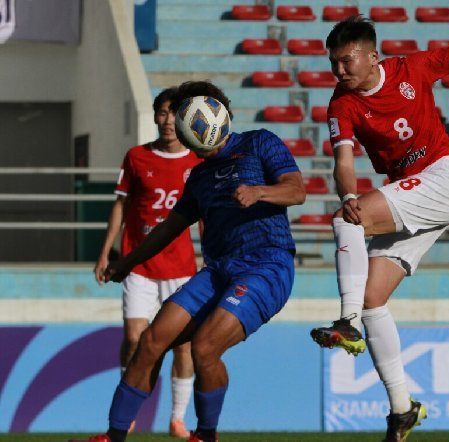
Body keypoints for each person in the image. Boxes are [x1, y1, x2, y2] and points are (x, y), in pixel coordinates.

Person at [309, 4, 449, 441]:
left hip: (441, 177)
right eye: (332, 62)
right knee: (373, 295)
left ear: (372, 56)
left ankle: (347, 322)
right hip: (408, 196)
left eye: (346, 60)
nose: (339, 70)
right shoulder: (341, 104)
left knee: (347, 223)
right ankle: (403, 409)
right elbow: (343, 160)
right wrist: (349, 193)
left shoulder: (412, 68)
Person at [74, 81, 305, 442]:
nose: (182, 125)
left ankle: (205, 434)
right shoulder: (198, 177)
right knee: (151, 340)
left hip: (267, 265)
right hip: (218, 270)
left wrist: (260, 191)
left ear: (216, 113)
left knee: (204, 347)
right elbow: (168, 229)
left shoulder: (259, 142)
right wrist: (126, 261)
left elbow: (297, 190)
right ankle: (114, 437)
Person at [94, 87, 201, 438]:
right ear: (155, 116)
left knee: (183, 345)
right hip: (139, 265)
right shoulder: (137, 156)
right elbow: (121, 205)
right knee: (135, 338)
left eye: (174, 113)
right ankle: (131, 413)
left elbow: (205, 213)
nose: (168, 121)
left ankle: (177, 418)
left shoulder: (196, 161)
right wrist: (106, 251)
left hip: (181, 267)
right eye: (162, 113)